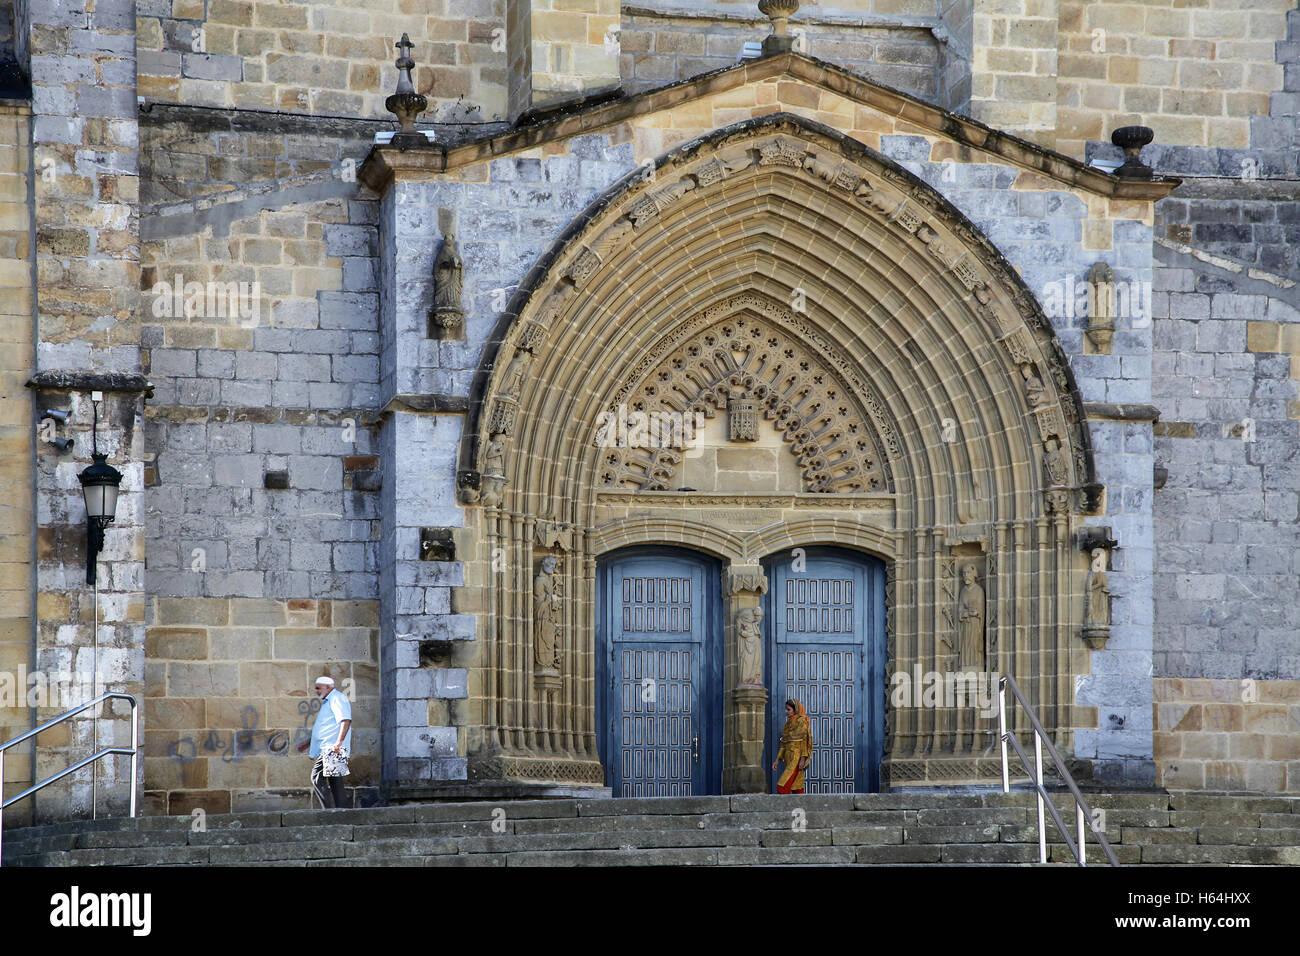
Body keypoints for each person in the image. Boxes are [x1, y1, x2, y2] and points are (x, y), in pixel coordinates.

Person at [296, 676, 352, 808]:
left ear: (328, 687)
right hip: (331, 746)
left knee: (316, 777)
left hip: (332, 747)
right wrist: (309, 742)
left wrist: (338, 743)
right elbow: (327, 727)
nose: (316, 691)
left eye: (318, 688)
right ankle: (342, 812)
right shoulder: (329, 700)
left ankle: (328, 811)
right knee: (335, 780)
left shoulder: (337, 698)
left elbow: (345, 720)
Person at [771, 698, 813, 795]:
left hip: (796, 757)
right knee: (796, 786)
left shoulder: (801, 721)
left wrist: (803, 759)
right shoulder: (788, 723)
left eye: (788, 709)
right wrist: (777, 760)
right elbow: (784, 743)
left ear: (796, 709)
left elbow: (804, 741)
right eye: (786, 709)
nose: (786, 712)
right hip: (788, 757)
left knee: (782, 786)